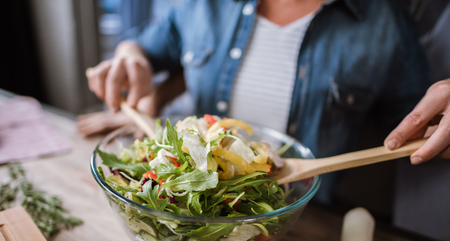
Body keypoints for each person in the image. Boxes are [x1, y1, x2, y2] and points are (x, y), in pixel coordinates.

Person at [86, 0, 434, 203]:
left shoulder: (389, 24)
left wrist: (438, 133)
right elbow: (146, 48)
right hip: (187, 211)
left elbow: (416, 130)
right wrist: (130, 58)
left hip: (301, 219)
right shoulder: (200, 4)